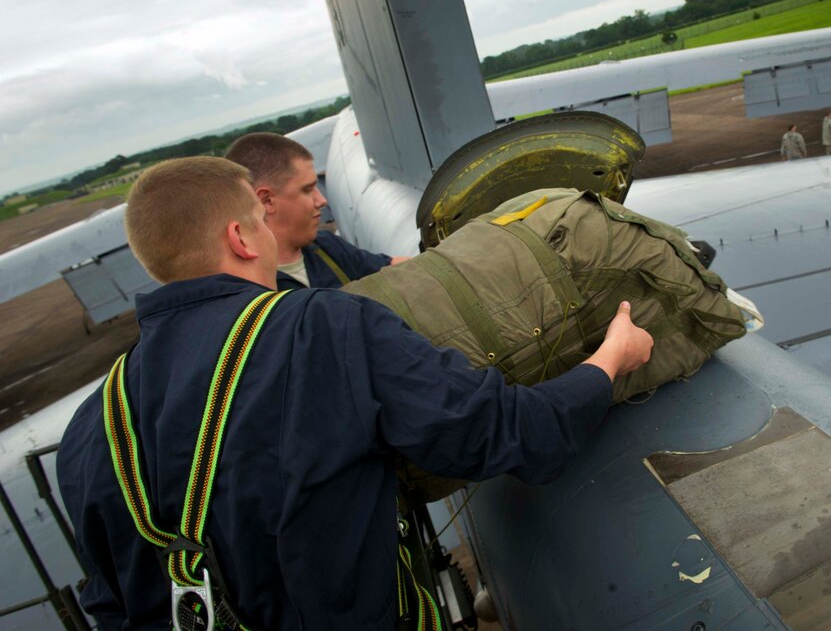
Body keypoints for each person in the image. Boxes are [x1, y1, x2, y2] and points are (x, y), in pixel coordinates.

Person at [57, 157, 652, 629]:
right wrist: (609, 360)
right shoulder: (322, 327)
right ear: (241, 236)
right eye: (261, 224)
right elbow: (505, 433)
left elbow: (112, 605)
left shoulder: (90, 427)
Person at [224, 132, 409, 289]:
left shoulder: (327, 248)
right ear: (267, 200)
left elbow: (393, 267)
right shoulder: (245, 291)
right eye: (306, 189)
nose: (322, 200)